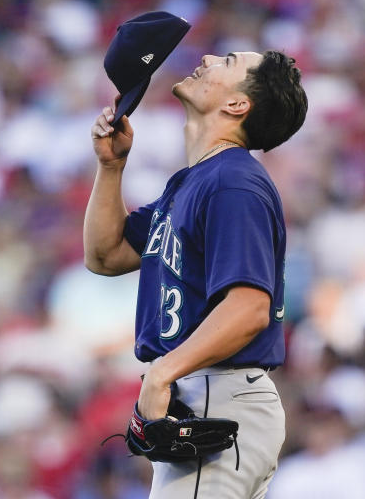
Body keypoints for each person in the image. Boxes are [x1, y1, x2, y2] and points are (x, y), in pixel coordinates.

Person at [84, 50, 307, 498]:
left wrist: (163, 373)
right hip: (210, 391)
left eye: (226, 60)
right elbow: (105, 255)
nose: (206, 57)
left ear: (238, 105)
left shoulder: (233, 181)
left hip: (217, 389)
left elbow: (249, 308)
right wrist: (111, 168)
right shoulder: (194, 182)